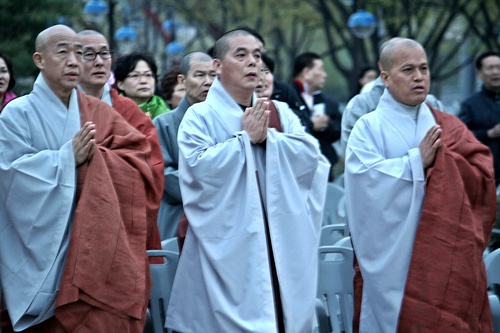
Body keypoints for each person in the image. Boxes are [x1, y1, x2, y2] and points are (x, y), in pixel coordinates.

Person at [166, 29, 330, 332]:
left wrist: (270, 139)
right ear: (218, 66)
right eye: (240, 55)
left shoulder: (278, 112)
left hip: (279, 236)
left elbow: (312, 158)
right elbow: (198, 170)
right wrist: (245, 141)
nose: (252, 62)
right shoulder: (199, 116)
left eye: (257, 55)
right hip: (227, 245)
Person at [0, 24, 160, 332]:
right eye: (63, 52)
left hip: (93, 246)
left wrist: (98, 161)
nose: (74, 61)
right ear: (39, 60)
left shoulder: (98, 111)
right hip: (39, 248)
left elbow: (139, 161)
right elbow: (8, 176)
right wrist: (65, 158)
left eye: (78, 52)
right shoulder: (15, 114)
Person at [345, 37, 496, 332]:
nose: (418, 77)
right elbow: (364, 184)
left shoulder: (447, 124)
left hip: (445, 244)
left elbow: (482, 174)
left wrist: (448, 165)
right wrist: (417, 162)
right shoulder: (368, 126)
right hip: (392, 253)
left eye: (424, 69)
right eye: (408, 70)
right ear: (385, 77)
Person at [77, 29, 164, 255]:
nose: (99, 62)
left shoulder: (128, 110)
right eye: (89, 54)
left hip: (125, 217)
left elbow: (152, 168)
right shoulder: (58, 109)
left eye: (104, 54)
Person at [153, 51, 216, 241]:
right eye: (199, 75)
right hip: (179, 217)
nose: (208, 81)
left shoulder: (226, 120)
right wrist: (214, 189)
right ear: (182, 80)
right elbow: (163, 173)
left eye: (213, 75)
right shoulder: (163, 124)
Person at [290, 52, 342, 181]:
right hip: (296, 165)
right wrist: (310, 124)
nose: (325, 74)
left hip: (324, 164)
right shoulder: (287, 95)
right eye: (320, 69)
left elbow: (338, 127)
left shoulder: (326, 101)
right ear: (306, 72)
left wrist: (325, 125)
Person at [458, 51, 500, 185]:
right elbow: (460, 138)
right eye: (490, 68)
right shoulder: (470, 105)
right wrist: (489, 133)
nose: (495, 72)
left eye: (498, 67)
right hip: (486, 177)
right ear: (479, 74)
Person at [114, 51, 170, 119]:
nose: (143, 81)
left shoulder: (167, 116)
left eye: (148, 75)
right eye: (135, 76)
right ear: (120, 84)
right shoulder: (112, 112)